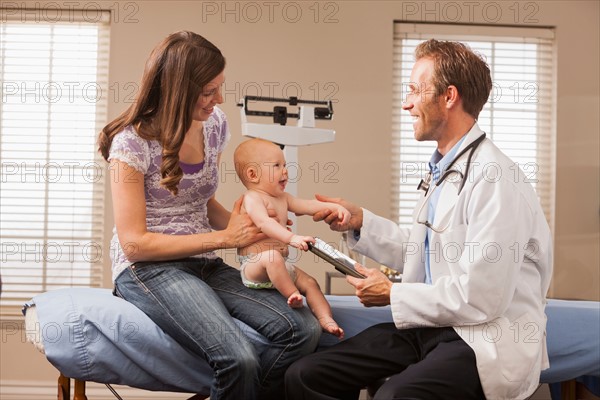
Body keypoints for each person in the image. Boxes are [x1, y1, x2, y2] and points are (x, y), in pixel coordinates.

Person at [285, 39, 553, 400]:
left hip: (483, 336)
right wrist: (360, 221)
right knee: (306, 375)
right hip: (432, 326)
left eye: (414, 90)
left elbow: (482, 299)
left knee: (396, 396)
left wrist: (393, 292)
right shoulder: (443, 169)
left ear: (449, 96)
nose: (406, 102)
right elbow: (428, 248)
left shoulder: (497, 178)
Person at [97, 31, 321, 400]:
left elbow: (203, 204)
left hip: (202, 262)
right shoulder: (130, 144)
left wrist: (247, 228)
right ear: (176, 91)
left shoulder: (214, 125)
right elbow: (135, 244)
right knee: (239, 359)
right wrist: (225, 238)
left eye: (219, 87)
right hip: (148, 270)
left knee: (302, 330)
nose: (218, 99)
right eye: (207, 91)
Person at [234, 138, 347, 339]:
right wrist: (291, 237)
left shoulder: (283, 198)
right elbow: (263, 224)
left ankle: (326, 319)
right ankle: (292, 295)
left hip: (281, 265)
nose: (285, 171)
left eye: (285, 165)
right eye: (277, 166)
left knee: (311, 283)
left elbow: (308, 205)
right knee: (272, 257)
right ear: (253, 174)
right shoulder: (252, 198)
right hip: (255, 265)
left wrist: (334, 207)